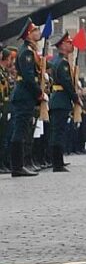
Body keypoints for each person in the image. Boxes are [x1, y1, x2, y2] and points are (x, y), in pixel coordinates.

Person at [8, 22, 44, 178]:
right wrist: (39, 92)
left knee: (22, 131)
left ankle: (19, 165)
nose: (38, 32)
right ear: (29, 34)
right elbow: (29, 77)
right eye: (35, 30)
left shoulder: (29, 51)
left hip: (25, 95)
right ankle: (17, 166)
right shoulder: (27, 53)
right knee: (20, 131)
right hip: (24, 95)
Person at [46, 34, 77, 172]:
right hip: (61, 100)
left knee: (57, 131)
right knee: (58, 132)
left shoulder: (57, 61)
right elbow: (67, 83)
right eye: (69, 43)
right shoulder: (62, 63)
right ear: (63, 45)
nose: (72, 45)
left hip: (58, 99)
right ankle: (57, 163)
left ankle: (58, 161)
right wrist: (76, 98)